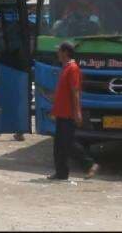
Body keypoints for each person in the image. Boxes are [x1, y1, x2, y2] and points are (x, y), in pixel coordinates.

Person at [48, 42, 99, 181]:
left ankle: (89, 165)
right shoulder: (65, 68)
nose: (57, 54)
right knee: (59, 144)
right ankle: (61, 173)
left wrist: (77, 112)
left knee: (68, 143)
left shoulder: (73, 68)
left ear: (65, 52)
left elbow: (75, 92)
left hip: (68, 113)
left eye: (59, 51)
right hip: (61, 112)